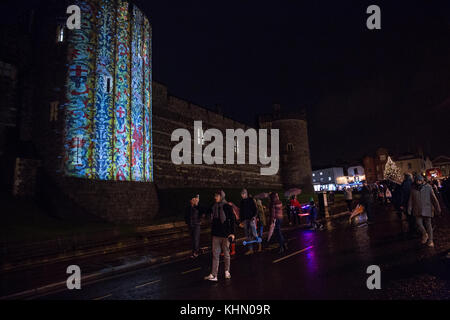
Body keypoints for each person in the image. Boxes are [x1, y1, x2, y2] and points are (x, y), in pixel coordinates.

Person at [204, 190, 236, 281]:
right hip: (215, 234)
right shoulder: (213, 206)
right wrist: (196, 204)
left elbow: (232, 220)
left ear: (221, 196)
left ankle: (227, 271)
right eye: (215, 196)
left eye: (217, 196)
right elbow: (205, 210)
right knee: (215, 255)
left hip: (225, 234)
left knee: (226, 253)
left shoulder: (227, 206)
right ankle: (214, 275)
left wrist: (232, 233)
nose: (215, 197)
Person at [408, 175, 441, 247]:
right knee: (418, 223)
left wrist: (437, 208)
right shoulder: (413, 189)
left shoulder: (428, 187)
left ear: (422, 180)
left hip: (427, 209)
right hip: (417, 209)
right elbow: (411, 200)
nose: (418, 182)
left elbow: (434, 199)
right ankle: (424, 234)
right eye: (417, 180)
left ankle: (430, 240)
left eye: (419, 180)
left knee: (428, 225)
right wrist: (409, 208)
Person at [184, 194, 204, 258]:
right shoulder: (188, 207)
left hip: (196, 225)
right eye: (192, 199)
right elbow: (186, 215)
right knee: (192, 239)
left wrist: (199, 221)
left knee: (195, 239)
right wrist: (187, 222)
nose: (193, 200)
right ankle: (196, 250)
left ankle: (195, 252)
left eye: (194, 199)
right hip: (190, 225)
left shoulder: (197, 207)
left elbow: (202, 214)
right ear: (190, 200)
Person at [239, 189, 258, 255]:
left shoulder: (251, 200)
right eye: (241, 194)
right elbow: (241, 212)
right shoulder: (241, 202)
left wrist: (254, 216)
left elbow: (255, 209)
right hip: (245, 220)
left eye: (243, 194)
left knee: (252, 230)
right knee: (247, 235)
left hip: (251, 218)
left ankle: (256, 237)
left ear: (246, 194)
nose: (242, 196)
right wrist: (241, 221)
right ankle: (250, 249)